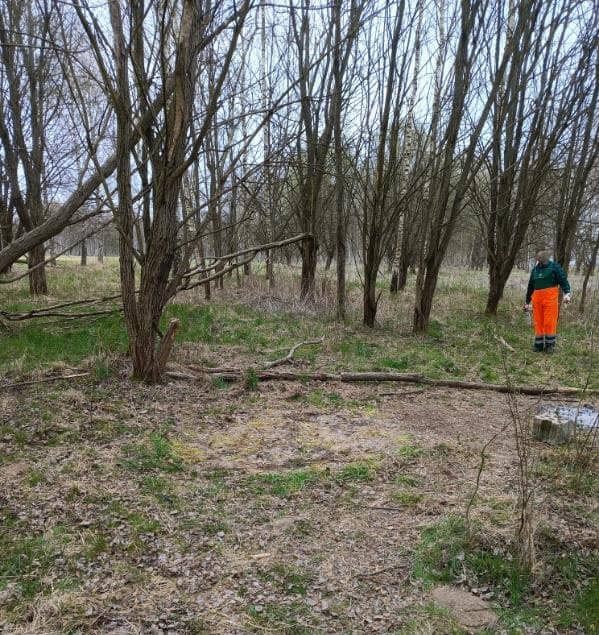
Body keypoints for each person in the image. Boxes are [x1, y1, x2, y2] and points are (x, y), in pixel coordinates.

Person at [524, 246, 571, 353]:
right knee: (538, 322)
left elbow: (563, 280)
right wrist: (527, 301)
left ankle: (550, 346)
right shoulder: (535, 270)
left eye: (541, 254)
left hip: (550, 300)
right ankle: (538, 345)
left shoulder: (555, 267)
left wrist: (567, 293)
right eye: (537, 255)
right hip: (537, 300)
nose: (539, 257)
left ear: (547, 255)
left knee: (550, 322)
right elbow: (531, 286)